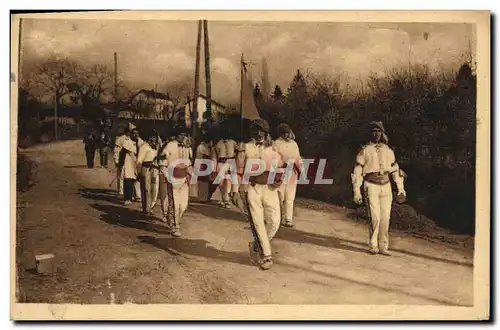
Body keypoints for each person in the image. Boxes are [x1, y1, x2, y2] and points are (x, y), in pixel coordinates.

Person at [351, 121, 407, 256]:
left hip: (386, 186)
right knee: (375, 217)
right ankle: (373, 244)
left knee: (385, 218)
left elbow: (395, 170)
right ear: (370, 133)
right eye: (374, 131)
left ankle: (383, 246)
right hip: (371, 185)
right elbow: (357, 171)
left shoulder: (388, 151)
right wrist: (356, 191)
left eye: (379, 131)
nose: (376, 134)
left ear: (383, 133)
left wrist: (400, 188)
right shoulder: (365, 150)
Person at [236, 119, 284, 270]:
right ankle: (267, 256)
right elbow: (238, 170)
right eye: (254, 130)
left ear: (265, 131)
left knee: (275, 221)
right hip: (253, 188)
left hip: (270, 188)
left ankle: (256, 245)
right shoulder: (246, 148)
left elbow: (281, 167)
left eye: (260, 130)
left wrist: (279, 181)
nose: (257, 133)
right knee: (257, 222)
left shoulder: (273, 148)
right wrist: (238, 190)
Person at [157, 127, 193, 237]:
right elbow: (162, 163)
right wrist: (167, 177)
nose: (183, 137)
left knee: (184, 205)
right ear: (176, 135)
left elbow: (189, 164)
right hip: (172, 177)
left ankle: (170, 216)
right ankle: (175, 226)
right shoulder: (170, 146)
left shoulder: (188, 148)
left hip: (184, 179)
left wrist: (191, 176)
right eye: (180, 135)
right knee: (175, 203)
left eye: (184, 135)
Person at [273, 123, 304, 228]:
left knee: (290, 197)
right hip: (281, 172)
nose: (286, 135)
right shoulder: (276, 143)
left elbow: (298, 158)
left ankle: (288, 219)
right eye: (283, 133)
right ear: (280, 133)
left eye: (287, 133)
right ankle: (277, 218)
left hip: (292, 173)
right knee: (279, 196)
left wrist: (302, 171)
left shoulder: (294, 144)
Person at [212, 130, 239, 208]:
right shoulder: (218, 144)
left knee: (229, 181)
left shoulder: (233, 143)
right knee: (221, 182)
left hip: (230, 162)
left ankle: (227, 199)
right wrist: (214, 167)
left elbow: (237, 153)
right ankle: (224, 198)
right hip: (221, 163)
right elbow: (215, 156)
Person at [137, 130, 159, 215]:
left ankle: (151, 207)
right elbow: (139, 161)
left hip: (155, 169)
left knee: (154, 190)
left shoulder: (156, 147)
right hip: (146, 168)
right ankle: (146, 209)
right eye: (152, 137)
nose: (153, 139)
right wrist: (139, 172)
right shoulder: (144, 147)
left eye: (155, 137)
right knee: (146, 189)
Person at [120, 127, 141, 206]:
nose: (136, 135)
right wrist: (120, 164)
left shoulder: (139, 142)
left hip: (136, 162)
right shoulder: (127, 142)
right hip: (128, 162)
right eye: (134, 133)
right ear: (131, 134)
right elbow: (122, 154)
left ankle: (134, 196)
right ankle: (127, 198)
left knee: (134, 180)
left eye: (137, 133)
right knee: (128, 180)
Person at [113, 125, 131, 196]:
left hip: (129, 161)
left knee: (128, 176)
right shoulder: (120, 139)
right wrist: (116, 161)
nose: (129, 133)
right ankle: (120, 190)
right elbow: (116, 151)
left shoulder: (132, 139)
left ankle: (128, 191)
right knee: (121, 176)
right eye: (128, 131)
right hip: (121, 160)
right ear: (126, 131)